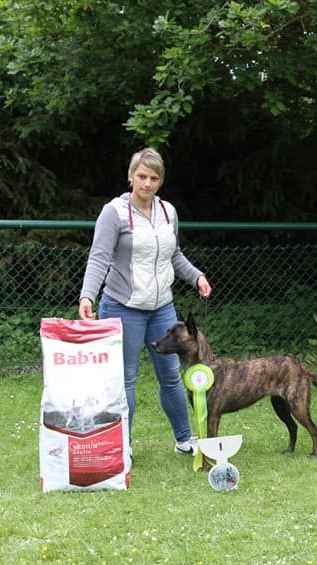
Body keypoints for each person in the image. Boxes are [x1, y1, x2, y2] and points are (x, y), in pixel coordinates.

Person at [78, 147, 212, 455]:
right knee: (126, 381)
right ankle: (121, 447)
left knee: (172, 377)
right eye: (141, 176)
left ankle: (184, 440)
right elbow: (99, 257)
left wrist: (197, 277)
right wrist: (87, 295)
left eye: (154, 178)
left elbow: (174, 255)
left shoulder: (168, 212)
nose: (147, 183)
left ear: (160, 180)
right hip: (122, 307)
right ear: (131, 176)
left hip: (162, 308)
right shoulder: (113, 212)